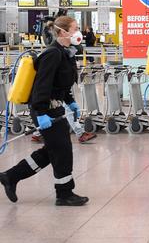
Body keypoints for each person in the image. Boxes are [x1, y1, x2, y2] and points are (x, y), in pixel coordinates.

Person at [0, 16, 89, 206]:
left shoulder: (65, 53)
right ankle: (64, 194)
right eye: (74, 29)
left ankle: (11, 176)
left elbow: (61, 85)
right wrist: (41, 114)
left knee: (52, 151)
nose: (77, 32)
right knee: (63, 151)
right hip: (45, 109)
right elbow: (42, 85)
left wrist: (71, 101)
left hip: (54, 107)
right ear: (61, 32)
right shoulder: (53, 54)